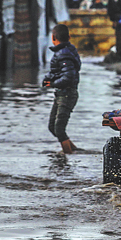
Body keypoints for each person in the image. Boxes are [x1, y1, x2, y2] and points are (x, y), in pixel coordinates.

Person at [43, 24, 81, 154]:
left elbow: (68, 77)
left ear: (53, 38)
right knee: (52, 127)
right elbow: (59, 72)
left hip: (67, 94)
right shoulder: (67, 52)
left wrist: (52, 84)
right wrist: (49, 78)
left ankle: (67, 156)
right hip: (61, 94)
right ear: (69, 37)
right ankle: (73, 150)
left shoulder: (63, 54)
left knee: (59, 129)